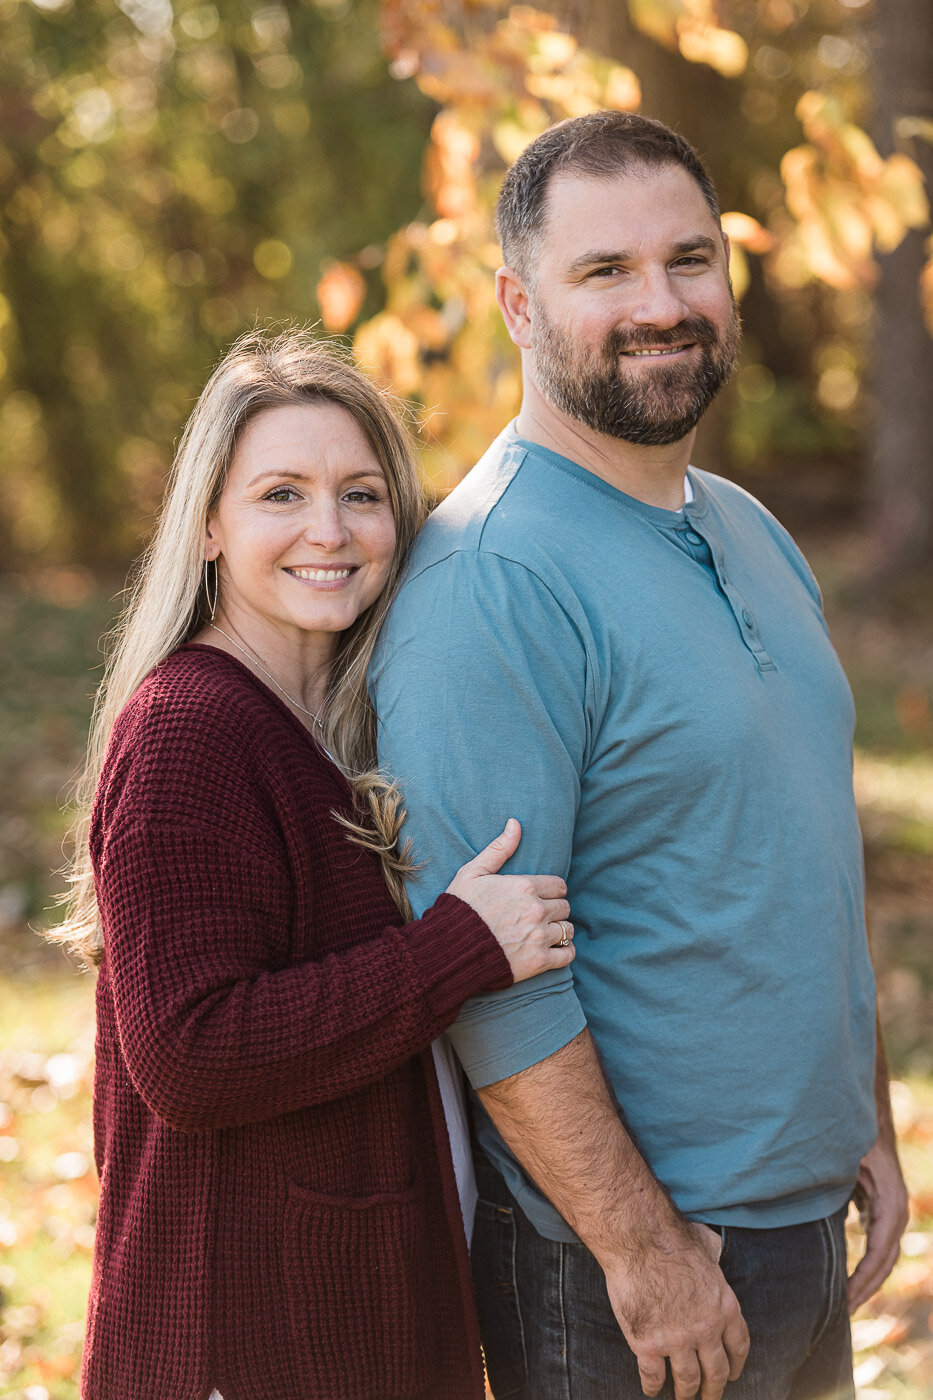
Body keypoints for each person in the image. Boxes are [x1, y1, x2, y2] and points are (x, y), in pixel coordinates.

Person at [371, 112, 910, 1400]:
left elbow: (801, 847)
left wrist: (868, 1119)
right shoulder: (492, 581)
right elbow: (492, 980)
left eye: (689, 259)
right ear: (518, 304)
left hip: (801, 1227)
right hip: (630, 1275)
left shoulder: (751, 529)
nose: (660, 305)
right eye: (605, 270)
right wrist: (643, 1247)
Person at [52, 329, 577, 1400]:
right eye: (281, 495)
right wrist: (457, 952)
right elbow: (189, 1053)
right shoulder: (190, 729)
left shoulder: (333, 724)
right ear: (209, 524)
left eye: (361, 494)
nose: (329, 530)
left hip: (350, 1324)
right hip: (238, 1344)